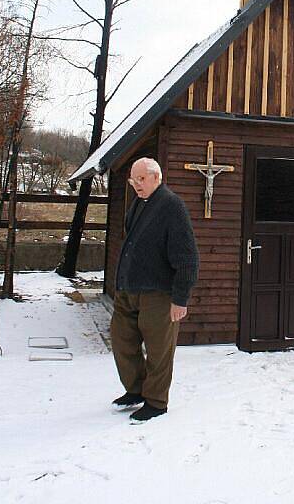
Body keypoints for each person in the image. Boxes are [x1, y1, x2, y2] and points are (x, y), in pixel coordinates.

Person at [110, 157, 199, 423]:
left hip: (159, 294)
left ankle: (157, 402)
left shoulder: (171, 206)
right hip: (129, 288)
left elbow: (188, 257)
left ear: (156, 177)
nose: (136, 184)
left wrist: (180, 298)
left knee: (159, 350)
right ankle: (136, 390)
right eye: (133, 180)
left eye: (141, 179)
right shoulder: (139, 203)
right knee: (121, 339)